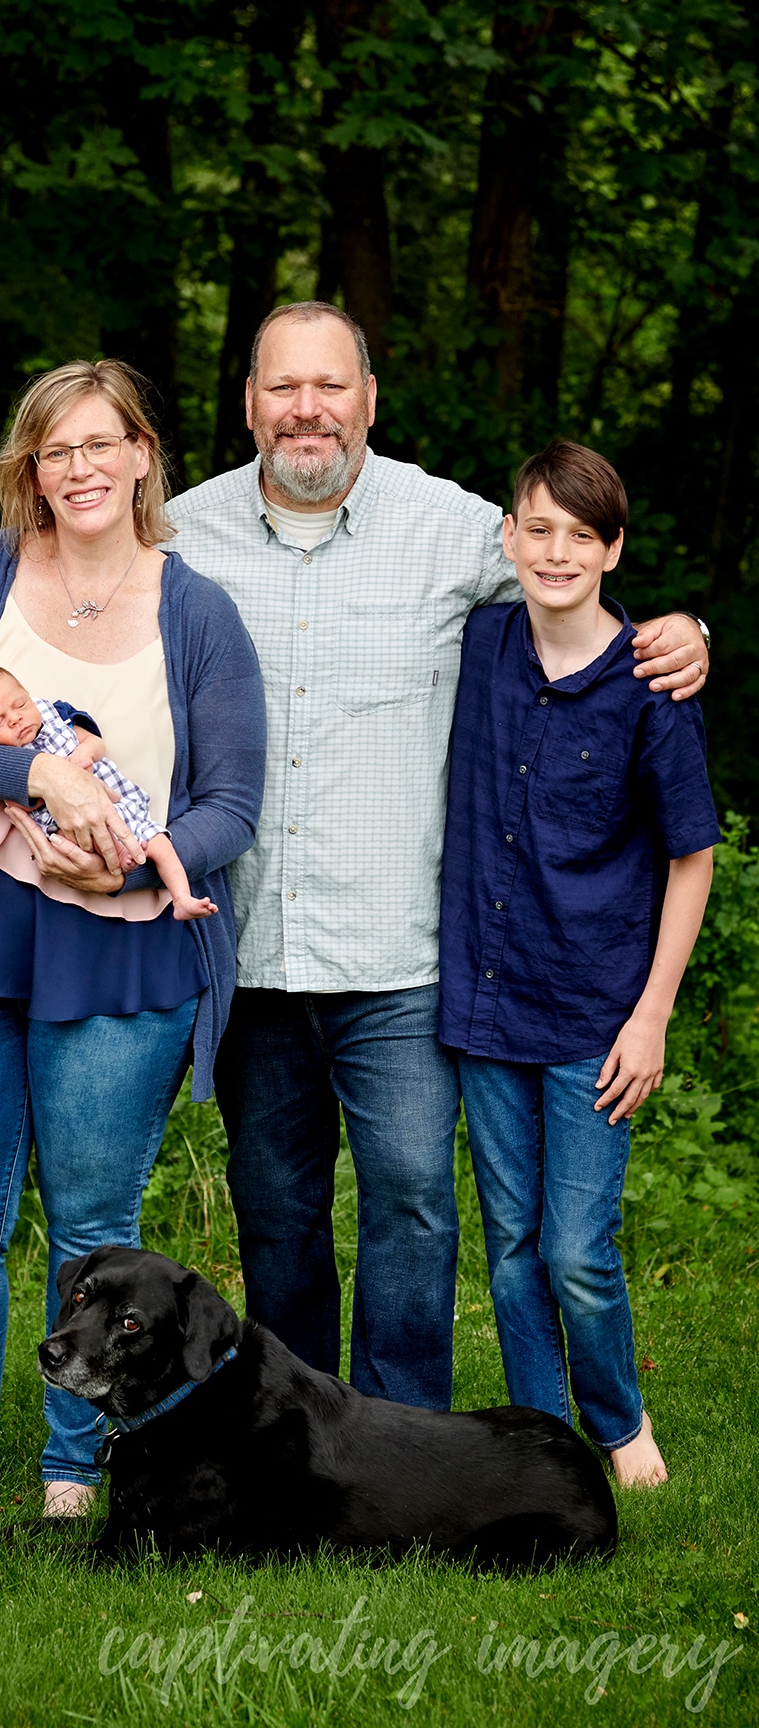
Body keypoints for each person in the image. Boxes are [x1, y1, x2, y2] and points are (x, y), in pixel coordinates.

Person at [0, 303, 708, 1413]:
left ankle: (401, 1428)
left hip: (400, 953)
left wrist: (675, 630)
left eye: (330, 387)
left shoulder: (453, 528)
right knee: (275, 1211)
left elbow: (563, 568)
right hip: (252, 946)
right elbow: (56, 567)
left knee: (413, 1203)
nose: (306, 410)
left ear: (367, 400)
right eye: (283, 388)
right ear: (248, 404)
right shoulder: (175, 537)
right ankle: (290, 1435)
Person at [0, 359, 265, 1512]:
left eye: (102, 444)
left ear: (144, 455)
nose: (81, 467)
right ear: (31, 472)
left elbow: (232, 807)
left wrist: (116, 858)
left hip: (121, 943)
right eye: (57, 451)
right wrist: (41, 773)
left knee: (95, 1227)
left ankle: (74, 1462)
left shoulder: (196, 608)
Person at [438, 441, 719, 1487]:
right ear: (508, 537)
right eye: (537, 529)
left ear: (612, 549)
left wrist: (651, 1017)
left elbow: (691, 859)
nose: (556, 552)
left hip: (597, 1010)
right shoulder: (476, 644)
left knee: (576, 1254)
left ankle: (616, 1422)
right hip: (484, 998)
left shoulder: (651, 685)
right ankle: (537, 1443)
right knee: (509, 1246)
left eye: (580, 534)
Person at [0, 662, 217, 920]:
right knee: (69, 843)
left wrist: (82, 756)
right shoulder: (0, 757)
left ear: (27, 692)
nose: (15, 719)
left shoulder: (58, 714)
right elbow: (19, 805)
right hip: (70, 826)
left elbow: (96, 743)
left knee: (161, 844)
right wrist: (44, 785)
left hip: (122, 804)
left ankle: (182, 899)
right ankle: (116, 853)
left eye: (20, 704)